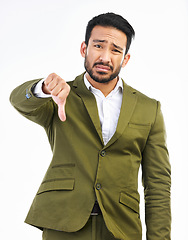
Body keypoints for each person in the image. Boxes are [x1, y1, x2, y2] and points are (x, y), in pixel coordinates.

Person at [10, 12, 171, 240]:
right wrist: (44, 89)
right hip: (63, 223)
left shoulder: (149, 108)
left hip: (121, 227)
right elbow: (18, 100)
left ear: (125, 59)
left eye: (116, 50)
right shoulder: (60, 96)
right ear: (84, 49)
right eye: (98, 46)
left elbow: (158, 184)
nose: (105, 57)